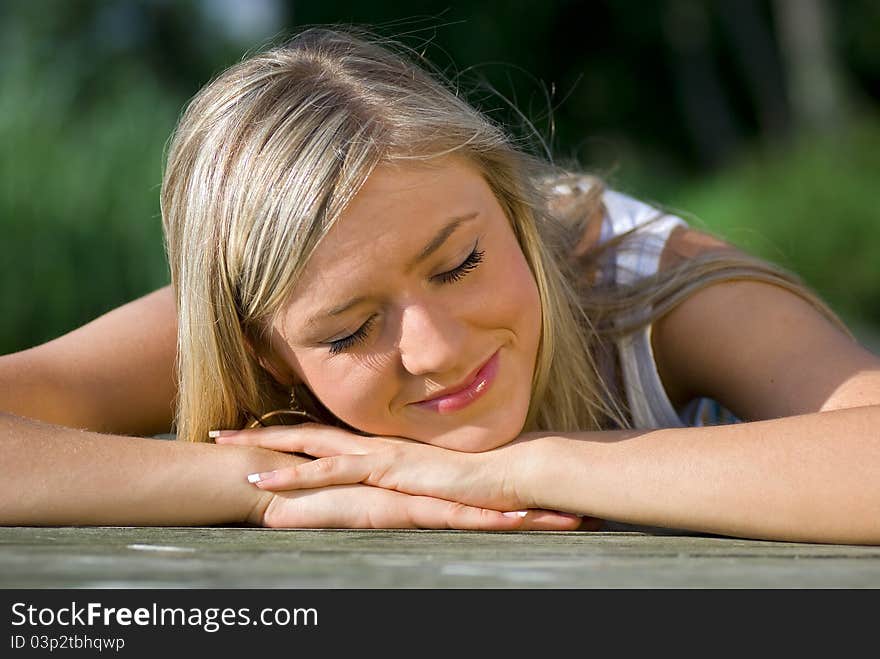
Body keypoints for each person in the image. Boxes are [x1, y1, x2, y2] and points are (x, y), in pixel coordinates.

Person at [2, 27, 878, 544]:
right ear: (267, 350)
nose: (438, 347)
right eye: (348, 334)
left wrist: (523, 471)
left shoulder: (653, 281)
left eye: (460, 263)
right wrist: (275, 481)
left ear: (513, 207)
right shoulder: (262, 311)